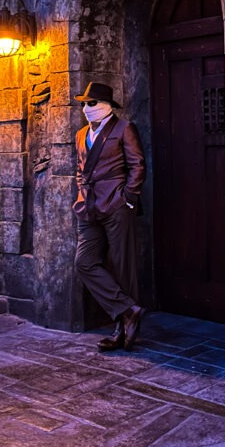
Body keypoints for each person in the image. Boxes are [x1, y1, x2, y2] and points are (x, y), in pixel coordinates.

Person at [73, 81, 146, 352]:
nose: (86, 108)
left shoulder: (124, 128)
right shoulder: (81, 134)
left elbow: (137, 164)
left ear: (106, 106)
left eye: (92, 103)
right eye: (83, 103)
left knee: (122, 266)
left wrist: (127, 198)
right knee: (85, 262)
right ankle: (127, 310)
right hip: (88, 207)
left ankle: (122, 330)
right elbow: (80, 168)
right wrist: (81, 193)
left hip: (116, 205)